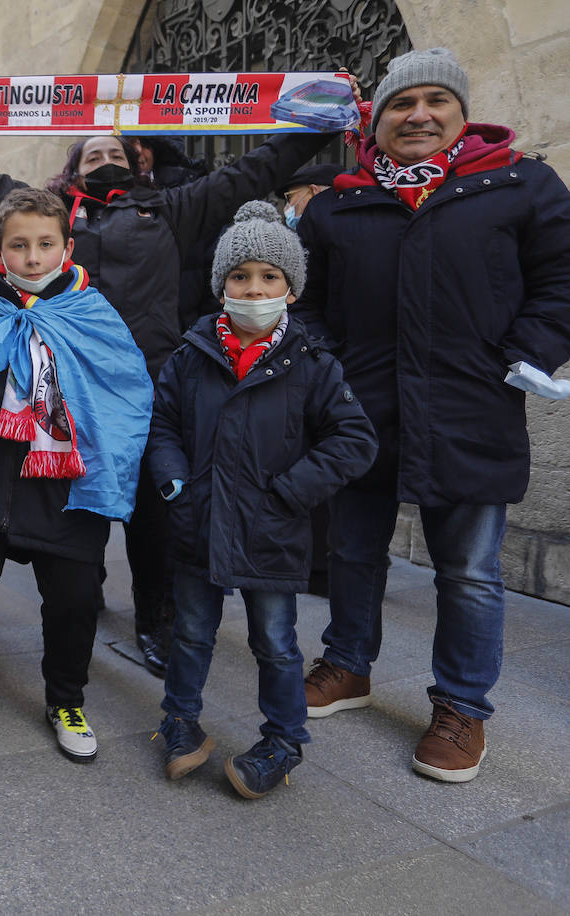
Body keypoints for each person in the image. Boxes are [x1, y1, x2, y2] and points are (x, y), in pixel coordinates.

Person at [0, 96, 338, 681]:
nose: (105, 159)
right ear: (74, 169)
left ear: (137, 163)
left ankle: (154, 619)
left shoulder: (169, 209)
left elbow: (250, 172)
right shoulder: (54, 217)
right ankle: (79, 594)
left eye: (117, 151)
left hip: (148, 386)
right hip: (60, 394)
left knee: (153, 515)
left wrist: (319, 125)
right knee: (74, 518)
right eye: (93, 154)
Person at [292, 48, 570, 783]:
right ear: (376, 122)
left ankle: (461, 708)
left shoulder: (520, 185)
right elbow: (308, 304)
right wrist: (326, 369)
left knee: (470, 571)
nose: (418, 116)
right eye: (399, 105)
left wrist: (523, 352)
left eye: (434, 101)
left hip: (471, 407)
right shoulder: (337, 204)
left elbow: (562, 281)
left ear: (460, 112)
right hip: (361, 409)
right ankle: (347, 666)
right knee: (352, 551)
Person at [0, 188, 152, 764]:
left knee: (72, 601)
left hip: (66, 488)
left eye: (46, 245)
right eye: (20, 246)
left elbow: (126, 393)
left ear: (67, 247)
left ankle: (65, 699)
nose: (34, 257)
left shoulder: (95, 313)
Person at [147, 202, 376, 798]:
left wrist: (293, 491)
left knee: (274, 642)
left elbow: (354, 440)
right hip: (199, 522)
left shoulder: (313, 365)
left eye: (269, 277)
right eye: (240, 276)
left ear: (291, 289)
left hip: (272, 530)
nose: (254, 288)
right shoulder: (192, 356)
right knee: (192, 631)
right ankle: (180, 719)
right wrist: (174, 482)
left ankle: (284, 740)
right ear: (221, 284)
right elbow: (163, 424)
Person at [274, 160, 346, 598]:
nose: (288, 207)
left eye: (292, 197)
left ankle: (325, 565)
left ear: (315, 192)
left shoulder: (332, 234)